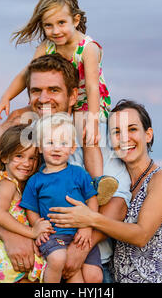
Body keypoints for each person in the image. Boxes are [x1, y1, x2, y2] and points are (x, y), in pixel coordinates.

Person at [0, 54, 132, 283]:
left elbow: (118, 202)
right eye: (36, 91)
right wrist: (11, 236)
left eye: (53, 90)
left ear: (72, 96)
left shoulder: (95, 133)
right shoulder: (15, 137)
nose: (43, 98)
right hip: (24, 270)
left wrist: (82, 247)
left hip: (88, 265)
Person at [0, 0, 117, 202]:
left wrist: (92, 119)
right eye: (48, 25)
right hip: (54, 104)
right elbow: (26, 74)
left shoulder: (88, 48)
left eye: (61, 23)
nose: (55, 30)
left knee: (88, 138)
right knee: (17, 116)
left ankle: (97, 182)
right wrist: (5, 97)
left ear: (76, 19)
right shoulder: (47, 46)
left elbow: (91, 87)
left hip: (88, 104)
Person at [48, 100, 162, 283]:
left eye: (132, 129)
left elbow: (141, 235)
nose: (124, 138)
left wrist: (90, 218)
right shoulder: (122, 182)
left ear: (148, 135)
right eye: (116, 132)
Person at [21, 113, 103, 283]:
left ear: (72, 148)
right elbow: (31, 208)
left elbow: (92, 200)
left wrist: (87, 227)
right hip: (53, 235)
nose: (56, 148)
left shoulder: (79, 174)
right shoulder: (35, 180)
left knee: (95, 277)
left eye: (63, 143)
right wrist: (37, 225)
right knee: (60, 261)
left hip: (81, 234)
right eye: (50, 142)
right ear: (40, 148)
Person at [0, 124, 54, 283]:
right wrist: (32, 232)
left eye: (32, 158)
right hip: (5, 259)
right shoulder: (7, 184)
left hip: (13, 259)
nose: (26, 163)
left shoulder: (17, 184)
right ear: (4, 157)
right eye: (19, 156)